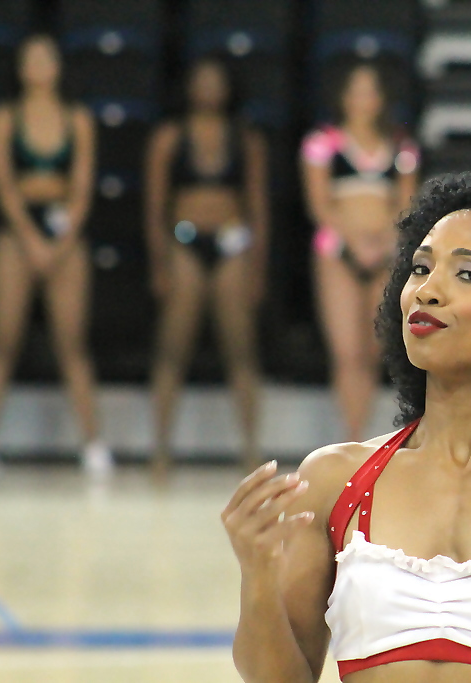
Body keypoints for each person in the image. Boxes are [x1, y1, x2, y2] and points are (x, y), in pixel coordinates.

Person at [222, 174, 471, 683]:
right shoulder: (335, 479)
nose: (427, 290)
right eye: (420, 268)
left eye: (468, 274)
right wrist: (257, 575)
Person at [0, 34, 110, 477]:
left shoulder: (77, 118)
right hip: (17, 229)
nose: (39, 65)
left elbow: (83, 189)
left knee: (72, 343)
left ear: (59, 66)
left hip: (64, 230)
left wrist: (58, 244)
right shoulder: (4, 117)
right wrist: (30, 238)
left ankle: (93, 446)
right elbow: (3, 185)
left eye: (47, 57)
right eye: (31, 58)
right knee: (3, 339)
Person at [145, 58, 269, 474]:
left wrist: (256, 266)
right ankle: (161, 447)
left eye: (216, 81)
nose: (209, 88)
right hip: (183, 240)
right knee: (172, 345)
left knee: (241, 347)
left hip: (232, 243)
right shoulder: (169, 138)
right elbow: (155, 206)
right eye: (201, 80)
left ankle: (251, 448)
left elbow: (257, 206)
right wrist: (159, 262)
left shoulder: (245, 139)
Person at [301, 60, 419, 442]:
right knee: (346, 353)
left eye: (371, 91)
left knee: (372, 352)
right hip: (337, 250)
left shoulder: (401, 147)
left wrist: (383, 243)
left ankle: (364, 437)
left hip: (383, 252)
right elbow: (319, 204)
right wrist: (354, 241)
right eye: (356, 90)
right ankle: (349, 436)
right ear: (343, 97)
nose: (363, 99)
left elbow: (406, 205)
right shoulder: (323, 144)